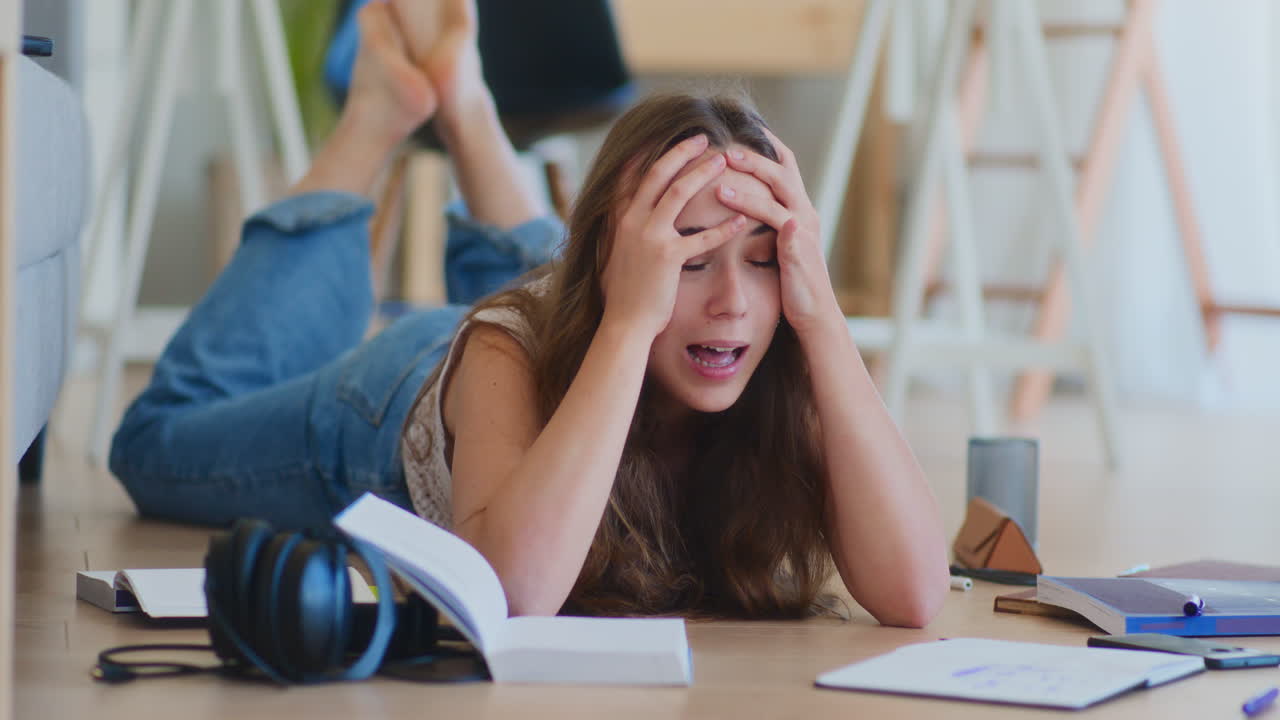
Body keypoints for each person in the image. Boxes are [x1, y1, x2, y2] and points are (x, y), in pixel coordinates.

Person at [110, 0, 949, 626]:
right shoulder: (516, 351)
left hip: (589, 308)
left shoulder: (765, 340)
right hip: (406, 394)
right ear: (627, 274)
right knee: (158, 442)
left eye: (764, 262)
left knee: (571, 283)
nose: (734, 302)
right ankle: (374, 119)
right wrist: (625, 326)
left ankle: (469, 109)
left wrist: (822, 318)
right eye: (692, 261)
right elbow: (509, 592)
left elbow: (915, 594)